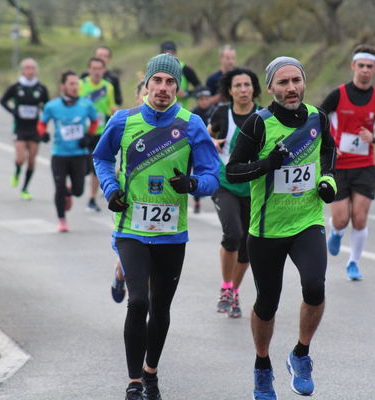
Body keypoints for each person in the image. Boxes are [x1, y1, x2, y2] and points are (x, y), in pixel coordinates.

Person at [93, 53, 219, 400]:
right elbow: (101, 157)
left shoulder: (192, 124)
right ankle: (134, 382)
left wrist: (194, 185)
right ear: (146, 85)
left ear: (178, 88)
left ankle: (151, 372)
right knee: (139, 303)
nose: (163, 88)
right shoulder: (122, 121)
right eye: (157, 81)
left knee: (161, 306)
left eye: (170, 82)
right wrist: (110, 188)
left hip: (171, 233)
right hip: (131, 229)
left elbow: (213, 174)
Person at [226, 57, 337, 399]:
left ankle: (300, 354)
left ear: (304, 83)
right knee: (267, 303)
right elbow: (231, 172)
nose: (291, 88)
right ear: (271, 88)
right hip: (266, 229)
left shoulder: (317, 118)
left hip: (307, 221)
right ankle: (262, 367)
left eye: (297, 81)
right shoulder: (258, 125)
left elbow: (329, 150)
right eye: (283, 82)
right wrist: (267, 164)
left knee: (315, 286)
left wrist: (327, 178)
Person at [320, 45, 375, 280]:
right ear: (353, 66)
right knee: (341, 219)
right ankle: (337, 232)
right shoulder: (337, 95)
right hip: (339, 166)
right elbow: (317, 122)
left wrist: (374, 137)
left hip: (364, 166)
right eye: (361, 66)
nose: (364, 71)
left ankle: (353, 263)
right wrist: (330, 145)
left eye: (369, 67)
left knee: (360, 219)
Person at [207, 68, 262, 318]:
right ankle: (226, 287)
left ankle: (235, 291)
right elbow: (203, 138)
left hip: (253, 187)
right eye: (237, 85)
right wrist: (212, 143)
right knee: (233, 234)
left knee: (247, 246)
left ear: (254, 89)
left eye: (247, 85)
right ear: (229, 90)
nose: (242, 90)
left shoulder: (263, 116)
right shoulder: (221, 113)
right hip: (225, 183)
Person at [37, 70, 98, 232]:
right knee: (59, 187)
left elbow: (95, 121)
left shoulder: (86, 104)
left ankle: (69, 191)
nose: (75, 87)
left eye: (77, 83)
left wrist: (89, 136)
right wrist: (43, 133)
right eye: (71, 84)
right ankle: (62, 220)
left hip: (79, 154)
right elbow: (41, 123)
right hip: (59, 154)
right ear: (63, 86)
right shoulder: (52, 106)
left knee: (78, 191)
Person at [110, 78, 147, 305]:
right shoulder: (127, 120)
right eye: (144, 93)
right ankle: (120, 274)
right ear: (138, 97)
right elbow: (110, 158)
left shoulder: (173, 124)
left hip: (160, 202)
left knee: (153, 260)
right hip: (130, 201)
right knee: (131, 257)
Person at [0, 58, 49, 199]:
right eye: (27, 68)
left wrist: (44, 126)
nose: (30, 71)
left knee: (32, 161)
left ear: (36, 70)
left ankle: (25, 188)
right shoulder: (16, 87)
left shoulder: (41, 88)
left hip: (34, 129)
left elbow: (48, 108)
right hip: (19, 128)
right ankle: (16, 172)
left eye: (32, 68)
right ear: (22, 70)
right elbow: (2, 101)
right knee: (21, 158)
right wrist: (12, 111)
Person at [79, 57, 118, 212]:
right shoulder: (81, 85)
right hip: (82, 132)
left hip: (100, 132)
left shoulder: (108, 87)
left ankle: (91, 198)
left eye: (99, 69)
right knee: (82, 167)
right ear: (89, 70)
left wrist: (115, 110)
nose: (96, 72)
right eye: (93, 68)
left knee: (96, 166)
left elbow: (110, 106)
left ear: (104, 70)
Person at [190, 86, 216, 213]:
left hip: (212, 144)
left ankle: (217, 195)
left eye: (207, 99)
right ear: (197, 101)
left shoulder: (215, 111)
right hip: (197, 146)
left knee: (212, 170)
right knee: (197, 172)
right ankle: (196, 202)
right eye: (201, 99)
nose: (204, 102)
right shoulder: (193, 113)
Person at [159, 40, 201, 110]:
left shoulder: (185, 69)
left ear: (176, 54)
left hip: (180, 112)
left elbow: (200, 88)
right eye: (166, 54)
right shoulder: (156, 70)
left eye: (172, 53)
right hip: (161, 111)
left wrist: (186, 94)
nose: (169, 57)